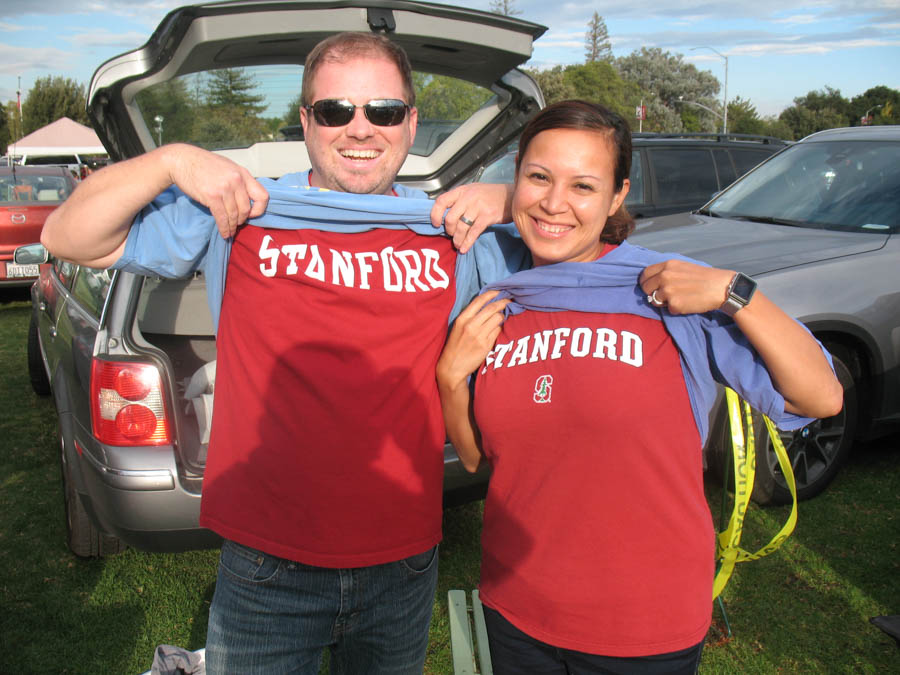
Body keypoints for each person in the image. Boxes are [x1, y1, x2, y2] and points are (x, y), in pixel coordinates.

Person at [42, 31, 521, 675]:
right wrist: (172, 161)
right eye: (334, 111)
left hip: (403, 560)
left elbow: (591, 237)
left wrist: (514, 198)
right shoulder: (244, 208)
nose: (360, 129)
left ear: (409, 123)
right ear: (305, 122)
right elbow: (67, 236)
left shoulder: (452, 229)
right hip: (268, 565)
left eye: (381, 111)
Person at [436, 100, 843, 675]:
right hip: (518, 611)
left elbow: (820, 397)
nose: (555, 203)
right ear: (514, 180)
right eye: (539, 177)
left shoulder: (666, 289)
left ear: (617, 196)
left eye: (584, 185)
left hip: (641, 630)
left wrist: (736, 291)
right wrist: (452, 377)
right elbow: (479, 459)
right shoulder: (501, 294)